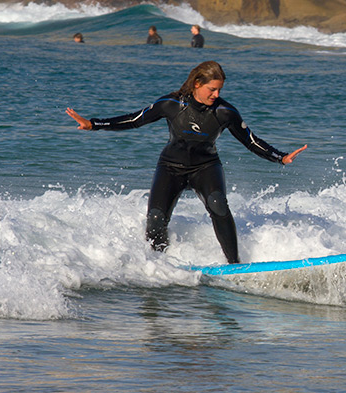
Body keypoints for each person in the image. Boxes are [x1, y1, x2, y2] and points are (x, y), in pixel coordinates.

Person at [65, 61, 307, 264]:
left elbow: (250, 140)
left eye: (220, 90)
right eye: (212, 89)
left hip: (206, 167)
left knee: (218, 205)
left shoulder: (225, 112)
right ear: (197, 84)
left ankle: (235, 266)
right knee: (156, 218)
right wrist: (94, 124)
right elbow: (134, 119)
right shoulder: (171, 105)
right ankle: (158, 264)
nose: (217, 95)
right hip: (170, 167)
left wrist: (280, 157)